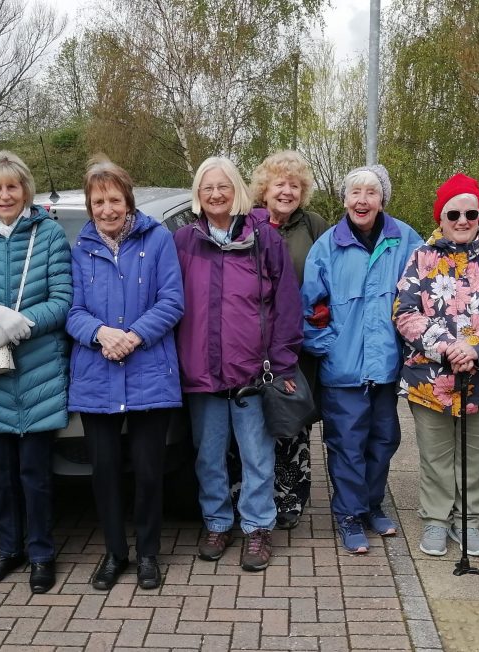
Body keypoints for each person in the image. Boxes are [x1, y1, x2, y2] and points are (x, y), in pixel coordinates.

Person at [174, 156, 302, 572]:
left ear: (237, 191)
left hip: (253, 372)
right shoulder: (183, 241)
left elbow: (287, 305)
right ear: (198, 193)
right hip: (202, 371)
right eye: (208, 187)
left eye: (223, 186)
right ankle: (217, 523)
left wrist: (281, 363)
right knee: (208, 456)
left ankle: (258, 527)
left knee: (257, 457)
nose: (216, 194)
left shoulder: (264, 239)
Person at [0, 151, 72, 594]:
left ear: (25, 190)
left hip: (39, 374)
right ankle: (8, 550)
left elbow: (62, 300)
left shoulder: (50, 234)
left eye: (12, 186)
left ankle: (41, 553)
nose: (4, 195)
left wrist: (19, 326)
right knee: (0, 479)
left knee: (36, 478)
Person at [394, 173, 479, 559]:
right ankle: (436, 519)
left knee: (477, 455)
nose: (463, 220)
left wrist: (475, 349)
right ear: (441, 217)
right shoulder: (422, 256)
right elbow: (405, 312)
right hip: (431, 377)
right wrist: (447, 348)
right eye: (454, 213)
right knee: (435, 455)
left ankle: (467, 520)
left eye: (471, 213)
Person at [67, 159, 184, 591]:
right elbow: (72, 310)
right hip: (97, 375)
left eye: (114, 199)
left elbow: (172, 301)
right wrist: (100, 333)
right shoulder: (79, 248)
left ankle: (148, 553)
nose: (107, 209)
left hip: (148, 371)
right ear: (90, 206)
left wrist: (132, 337)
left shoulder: (158, 239)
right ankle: (115, 553)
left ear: (128, 201)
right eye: (98, 202)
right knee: (105, 472)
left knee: (149, 472)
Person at [301, 164, 423, 553]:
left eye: (371, 192)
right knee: (347, 445)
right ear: (344, 200)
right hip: (344, 370)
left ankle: (371, 505)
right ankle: (349, 515)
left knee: (384, 440)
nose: (362, 200)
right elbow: (308, 306)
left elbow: (424, 293)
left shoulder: (405, 239)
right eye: (355, 192)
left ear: (382, 199)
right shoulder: (328, 246)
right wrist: (329, 345)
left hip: (386, 367)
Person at [245, 150, 329, 530]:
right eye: (280, 183)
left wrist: (323, 312)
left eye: (294, 185)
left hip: (297, 341)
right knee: (253, 421)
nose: (287, 191)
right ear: (264, 188)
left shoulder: (314, 225)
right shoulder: (247, 223)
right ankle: (253, 497)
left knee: (292, 416)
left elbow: (331, 276)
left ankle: (290, 498)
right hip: (251, 340)